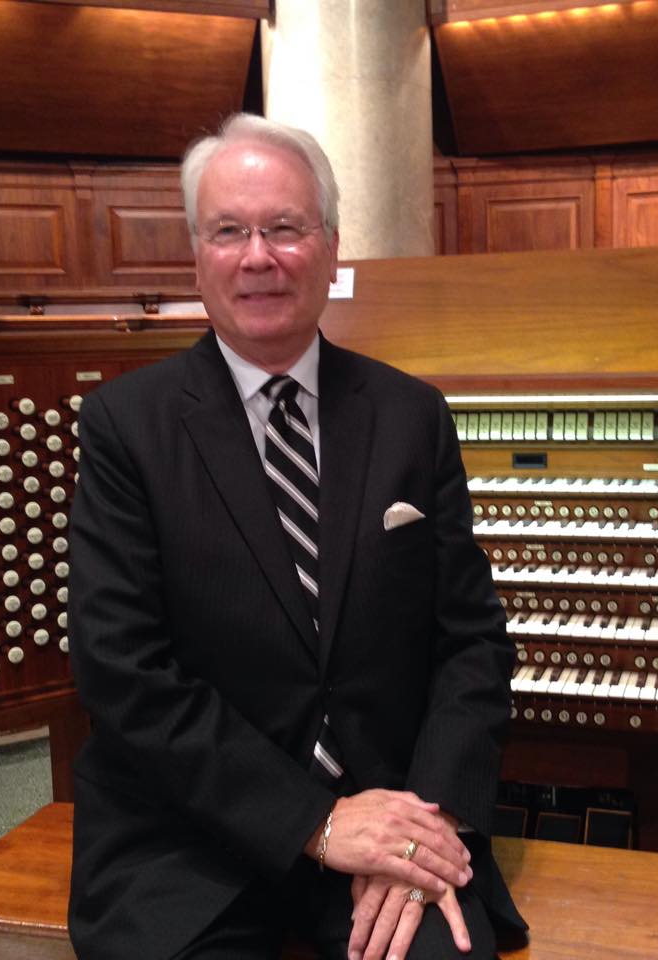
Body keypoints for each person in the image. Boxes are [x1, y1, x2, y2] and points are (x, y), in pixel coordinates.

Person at [68, 111, 526, 960]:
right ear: (196, 255)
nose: (258, 257)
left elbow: (473, 643)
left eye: (285, 228)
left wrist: (427, 817)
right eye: (230, 231)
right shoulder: (126, 426)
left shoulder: (409, 415)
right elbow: (123, 672)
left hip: (392, 816)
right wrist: (315, 820)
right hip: (191, 834)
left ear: (331, 245)